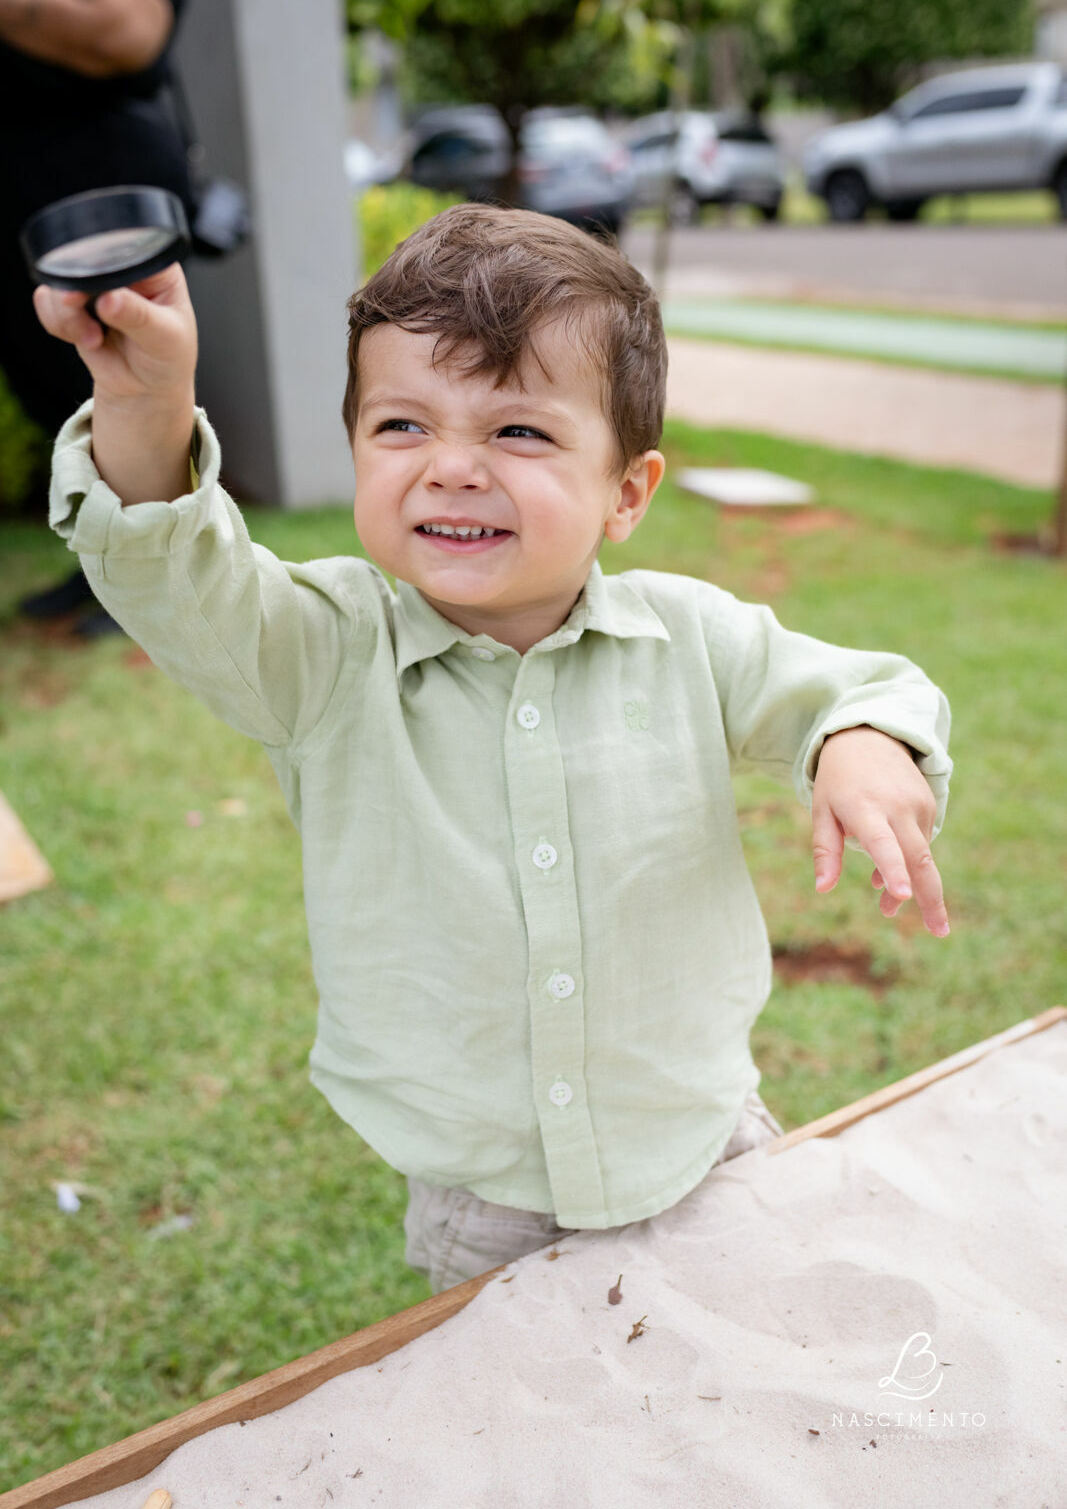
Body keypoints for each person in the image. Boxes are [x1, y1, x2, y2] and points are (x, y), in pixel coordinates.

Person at [36, 205, 952, 1295]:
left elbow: (860, 687)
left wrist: (857, 740)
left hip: (702, 1137)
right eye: (402, 427)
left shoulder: (692, 639)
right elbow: (171, 572)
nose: (451, 468)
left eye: (517, 431)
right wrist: (146, 399)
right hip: (483, 1193)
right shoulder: (319, 654)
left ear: (626, 492)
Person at [0, 0, 191, 633]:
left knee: (121, 383)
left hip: (102, 201)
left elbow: (125, 31)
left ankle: (162, 577)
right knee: (54, 395)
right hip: (25, 211)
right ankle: (104, 568)